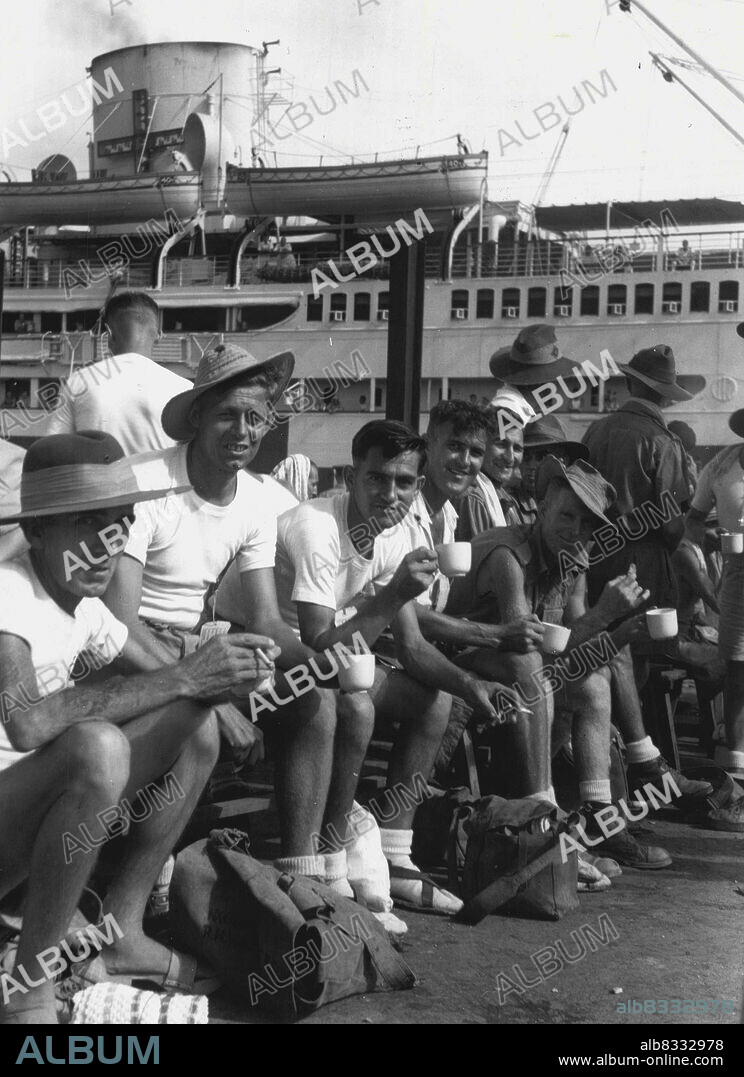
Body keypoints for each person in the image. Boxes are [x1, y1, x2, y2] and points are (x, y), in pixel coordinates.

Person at [0, 431, 276, 1023]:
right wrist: (184, 679)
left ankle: (120, 926)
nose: (108, 544)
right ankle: (28, 990)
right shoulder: (8, 594)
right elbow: (27, 722)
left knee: (196, 724)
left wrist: (223, 682)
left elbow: (171, 677)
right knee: (96, 748)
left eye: (120, 524)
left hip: (19, 826)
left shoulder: (81, 603)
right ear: (40, 530)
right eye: (88, 523)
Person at [272, 420, 520, 913]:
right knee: (358, 710)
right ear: (350, 475)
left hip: (329, 661)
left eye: (404, 483)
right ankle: (331, 856)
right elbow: (319, 646)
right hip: (276, 660)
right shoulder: (316, 525)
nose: (390, 494)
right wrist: (393, 594)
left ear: (418, 484)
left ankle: (396, 854)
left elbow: (410, 646)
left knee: (437, 701)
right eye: (377, 479)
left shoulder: (398, 530)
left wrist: (473, 686)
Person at [446, 456, 674, 870]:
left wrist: (622, 632)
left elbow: (572, 647)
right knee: (538, 666)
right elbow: (524, 648)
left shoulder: (574, 560)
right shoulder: (507, 554)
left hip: (523, 670)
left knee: (594, 679)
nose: (576, 531)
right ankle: (543, 822)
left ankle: (597, 815)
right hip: (461, 659)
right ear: (544, 505)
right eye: (568, 515)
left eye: (587, 525)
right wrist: (603, 615)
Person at [102, 344, 317, 771]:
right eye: (227, 415)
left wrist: (324, 665)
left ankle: (318, 840)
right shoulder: (142, 483)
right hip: (131, 656)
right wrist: (215, 702)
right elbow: (119, 626)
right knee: (201, 729)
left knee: (318, 702)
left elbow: (266, 621)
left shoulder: (256, 501)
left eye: (254, 418)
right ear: (197, 417)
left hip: (198, 651)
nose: (242, 431)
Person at [582, 345, 702, 609]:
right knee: (648, 642)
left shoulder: (595, 430)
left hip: (596, 554)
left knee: (601, 638)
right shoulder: (665, 442)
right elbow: (671, 526)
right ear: (667, 396)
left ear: (629, 383)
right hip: (644, 561)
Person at [685, 408, 744, 819]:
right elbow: (692, 520)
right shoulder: (722, 465)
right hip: (739, 575)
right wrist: (709, 545)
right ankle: (736, 784)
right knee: (738, 670)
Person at [45, 292, 192, 455]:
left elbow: (53, 450)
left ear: (108, 334)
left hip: (98, 480)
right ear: (159, 335)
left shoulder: (79, 381)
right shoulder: (184, 388)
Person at [456, 389, 535, 540]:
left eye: (517, 449)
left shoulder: (505, 497)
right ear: (482, 445)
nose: (510, 457)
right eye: (501, 444)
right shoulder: (473, 498)